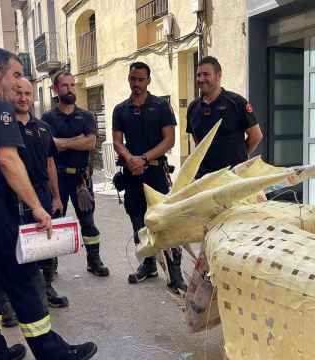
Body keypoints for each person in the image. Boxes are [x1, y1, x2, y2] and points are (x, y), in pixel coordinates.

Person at [0, 48, 97, 360]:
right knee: (23, 279)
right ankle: (53, 353)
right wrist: (38, 208)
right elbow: (8, 160)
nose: (16, 84)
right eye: (14, 75)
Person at [0, 78, 69, 329]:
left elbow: (50, 164)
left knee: (45, 246)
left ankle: (46, 288)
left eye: (28, 93)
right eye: (18, 92)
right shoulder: (3, 125)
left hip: (42, 194)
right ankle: (7, 304)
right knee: (12, 250)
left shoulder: (43, 128)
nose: (23, 98)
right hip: (13, 195)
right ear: (10, 94)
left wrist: (57, 197)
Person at [112, 62, 187, 294]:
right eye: (133, 79)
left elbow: (169, 140)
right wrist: (129, 158)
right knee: (138, 222)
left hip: (155, 172)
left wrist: (143, 158)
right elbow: (117, 142)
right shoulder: (120, 109)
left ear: (148, 81)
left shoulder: (161, 106)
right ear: (129, 79)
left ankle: (175, 274)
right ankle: (148, 265)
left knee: (165, 221)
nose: (136, 83)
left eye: (140, 79)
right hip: (132, 174)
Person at [42, 71, 110, 277]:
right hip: (57, 179)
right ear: (56, 89)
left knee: (88, 221)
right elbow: (48, 146)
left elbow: (90, 143)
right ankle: (50, 266)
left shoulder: (86, 116)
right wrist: (76, 141)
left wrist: (61, 143)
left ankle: (94, 260)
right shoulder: (48, 118)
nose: (70, 89)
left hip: (81, 179)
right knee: (54, 221)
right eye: (65, 86)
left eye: (72, 85)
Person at [187, 56, 263, 179]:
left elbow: (256, 136)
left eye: (206, 74)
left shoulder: (237, 103)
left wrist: (239, 159)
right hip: (204, 179)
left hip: (233, 178)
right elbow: (198, 142)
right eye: (198, 75)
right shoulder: (193, 108)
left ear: (218, 75)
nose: (201, 79)